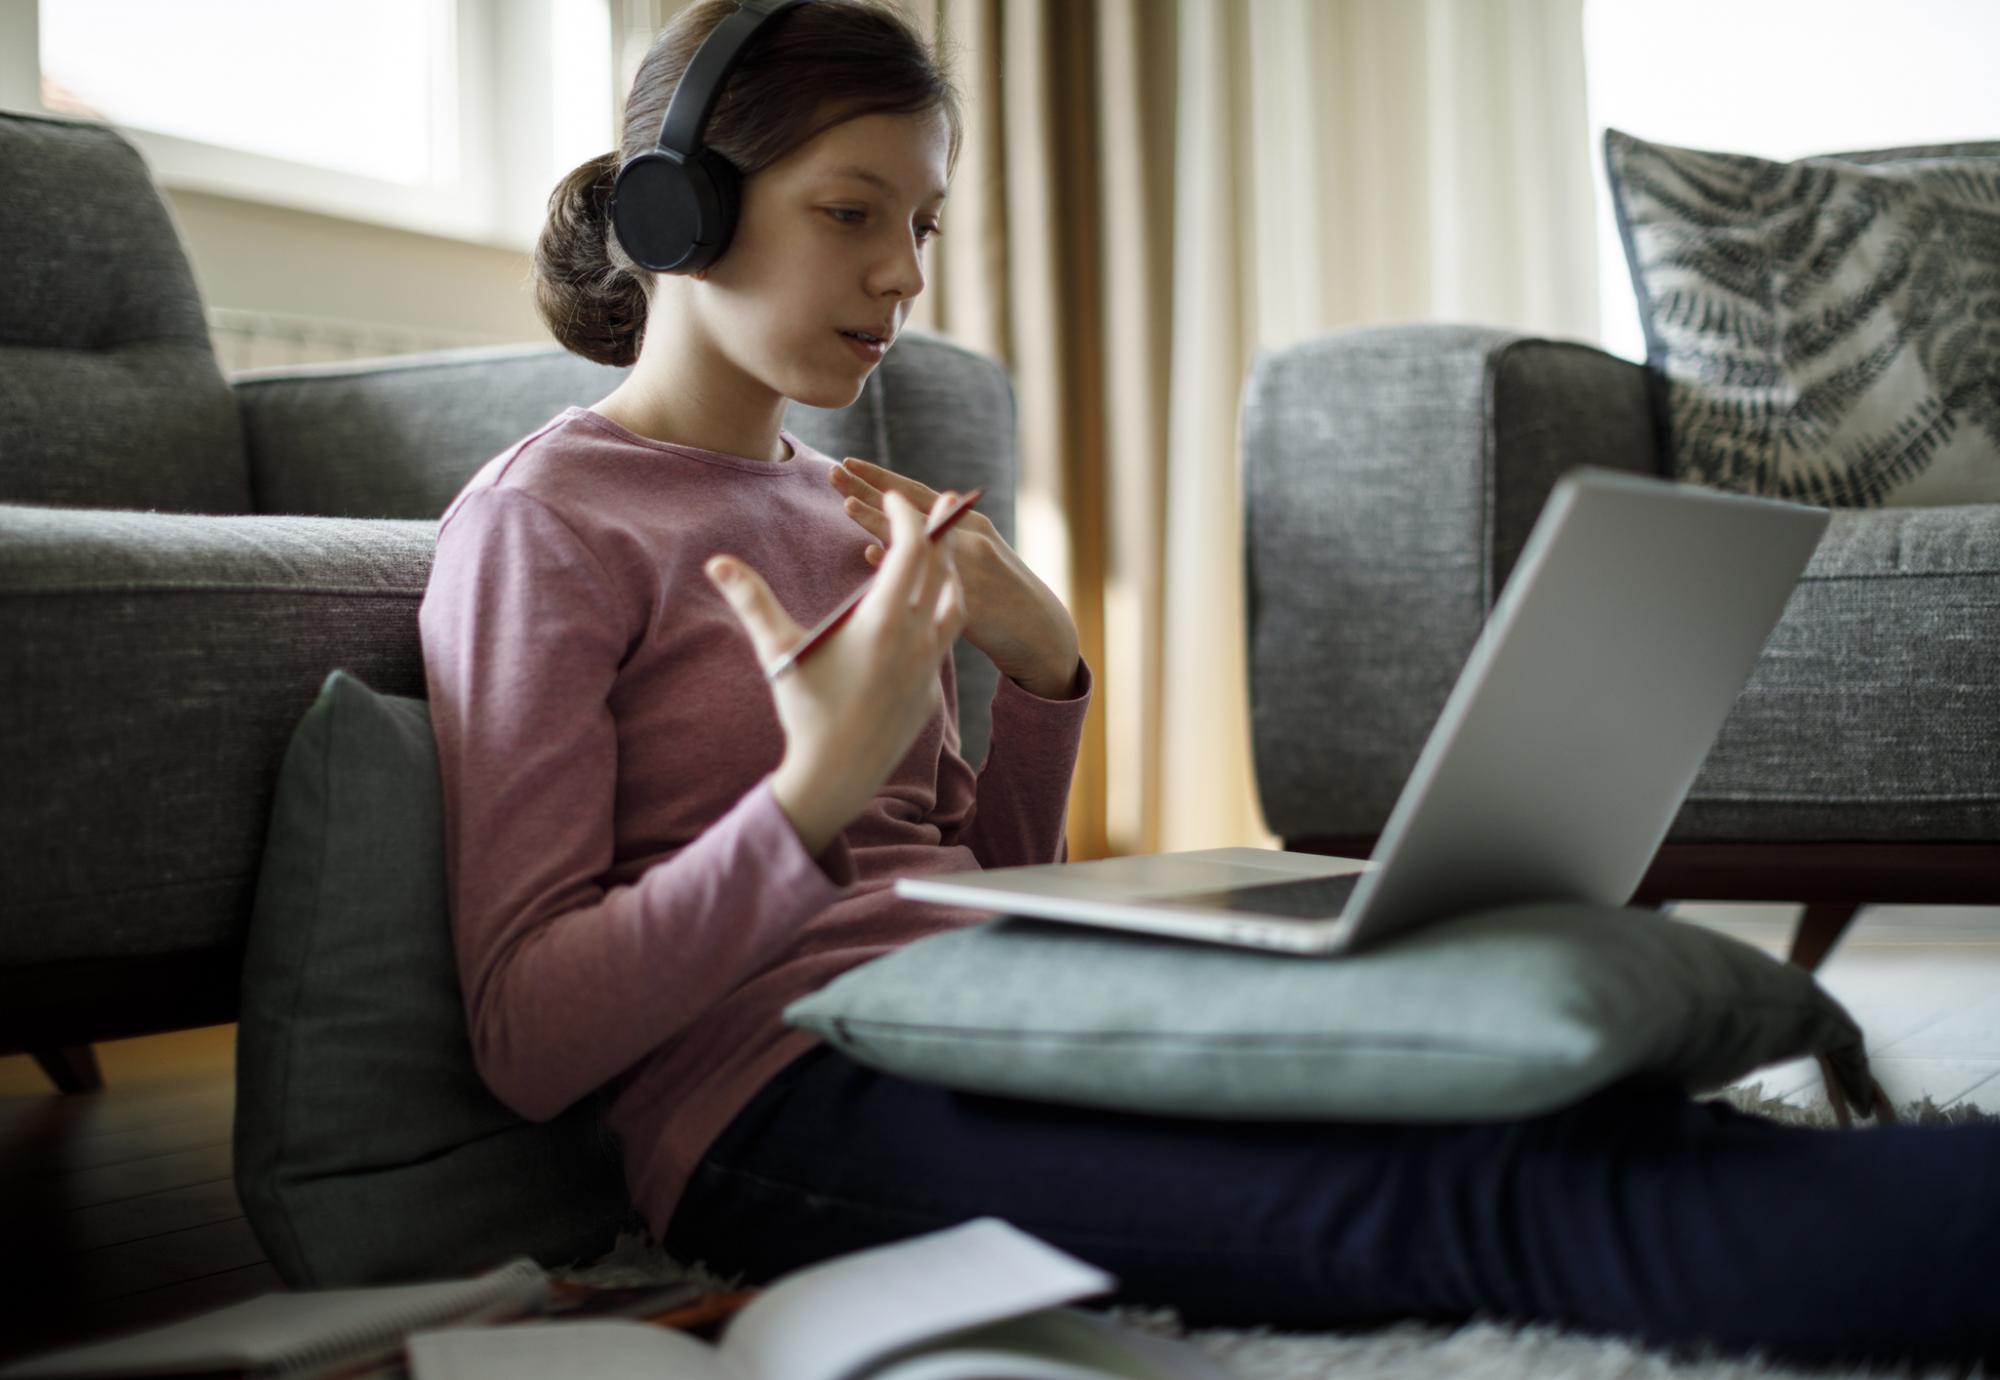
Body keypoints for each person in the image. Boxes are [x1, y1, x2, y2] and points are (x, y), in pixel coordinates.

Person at [417, 1, 2000, 1369]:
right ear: (679, 213)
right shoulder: (544, 526)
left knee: (1541, 1109)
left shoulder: (840, 505)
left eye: (925, 226)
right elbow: (527, 1033)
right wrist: (801, 806)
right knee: (1474, 1202)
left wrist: (1044, 676)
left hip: (989, 1015)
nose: (904, 275)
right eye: (853, 212)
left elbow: (969, 890)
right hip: (767, 1107)